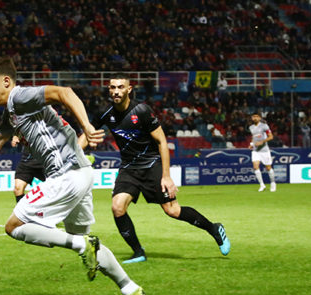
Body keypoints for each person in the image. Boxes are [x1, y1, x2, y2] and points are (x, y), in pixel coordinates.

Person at [0, 56, 146, 295]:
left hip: (66, 174)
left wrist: (87, 126)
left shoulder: (20, 97)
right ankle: (131, 289)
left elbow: (65, 92)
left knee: (14, 226)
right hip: (81, 173)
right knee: (84, 238)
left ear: (6, 81)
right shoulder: (12, 112)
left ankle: (80, 244)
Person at [81, 75, 229, 264]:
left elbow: (162, 141)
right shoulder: (105, 112)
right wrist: (75, 153)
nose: (116, 91)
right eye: (112, 87)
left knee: (172, 210)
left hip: (151, 165)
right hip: (128, 168)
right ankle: (138, 252)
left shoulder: (142, 111)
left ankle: (214, 228)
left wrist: (166, 176)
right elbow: (88, 133)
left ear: (129, 89)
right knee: (117, 207)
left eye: (120, 87)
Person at [11, 135, 46, 204]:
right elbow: (19, 131)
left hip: (46, 161)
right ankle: (23, 210)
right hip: (27, 161)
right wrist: (16, 136)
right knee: (18, 189)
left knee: (58, 188)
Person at [249, 112, 277, 192]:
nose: (255, 118)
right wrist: (251, 144)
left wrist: (262, 142)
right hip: (255, 150)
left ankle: (273, 183)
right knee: (255, 167)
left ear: (260, 118)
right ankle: (262, 185)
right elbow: (253, 137)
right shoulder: (251, 127)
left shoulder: (264, 126)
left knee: (268, 167)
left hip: (264, 150)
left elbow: (271, 137)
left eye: (256, 116)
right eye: (253, 116)